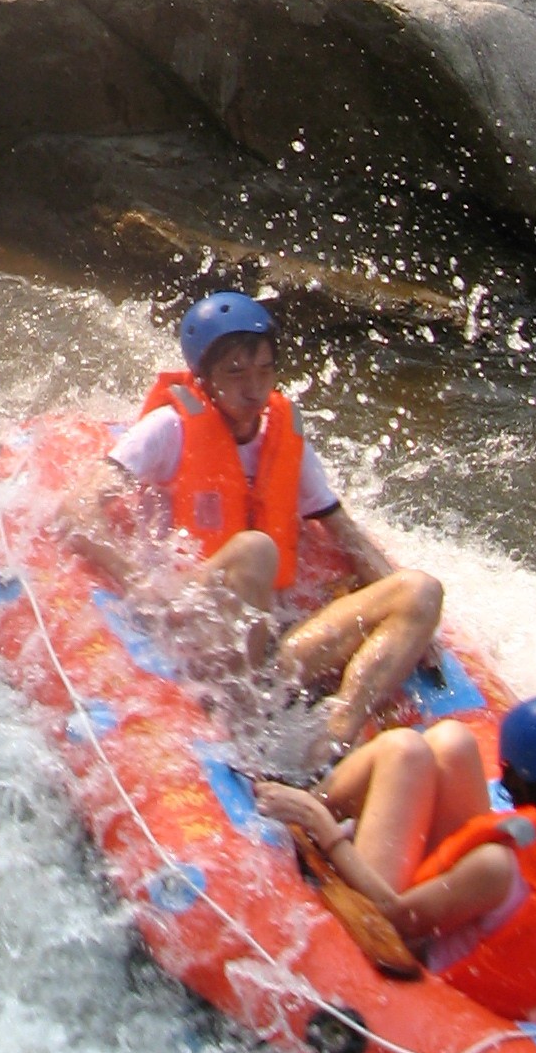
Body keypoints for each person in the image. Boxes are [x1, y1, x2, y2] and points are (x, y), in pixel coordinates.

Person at [58, 290, 446, 763]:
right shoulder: (169, 429)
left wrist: (419, 629)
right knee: (256, 550)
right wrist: (142, 583)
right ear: (203, 378)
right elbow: (76, 509)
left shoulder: (282, 437)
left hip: (269, 655)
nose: (254, 388)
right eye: (236, 373)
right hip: (202, 624)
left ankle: (332, 739)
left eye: (265, 370)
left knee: (421, 591)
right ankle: (240, 728)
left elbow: (344, 532)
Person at [256, 694, 536, 1022]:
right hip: (485, 937)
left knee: (403, 749)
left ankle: (310, 802)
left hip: (418, 951)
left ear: (516, 781)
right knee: (454, 741)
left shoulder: (500, 866)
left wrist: (324, 831)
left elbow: (392, 915)